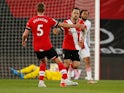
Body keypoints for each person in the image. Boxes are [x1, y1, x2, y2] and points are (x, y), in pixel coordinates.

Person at [22, 2, 80, 87]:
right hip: (47, 45)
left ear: (36, 10)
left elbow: (25, 34)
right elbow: (62, 24)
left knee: (43, 61)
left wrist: (24, 40)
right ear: (44, 10)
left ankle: (41, 82)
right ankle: (65, 79)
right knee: (59, 61)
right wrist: (74, 26)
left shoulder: (31, 21)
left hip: (37, 47)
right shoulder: (49, 19)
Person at [53, 8, 86, 80]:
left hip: (76, 47)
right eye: (74, 13)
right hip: (67, 46)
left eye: (77, 13)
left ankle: (67, 77)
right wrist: (56, 27)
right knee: (66, 63)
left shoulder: (81, 22)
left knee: (76, 65)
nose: (76, 15)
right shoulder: (66, 22)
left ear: (79, 15)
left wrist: (83, 38)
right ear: (71, 14)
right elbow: (56, 32)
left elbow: (84, 30)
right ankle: (64, 80)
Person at [79, 10, 96, 84]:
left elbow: (87, 34)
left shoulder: (88, 23)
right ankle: (67, 78)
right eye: (84, 13)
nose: (85, 15)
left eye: (87, 14)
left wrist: (87, 44)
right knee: (72, 63)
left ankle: (89, 79)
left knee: (87, 61)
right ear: (80, 14)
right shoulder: (77, 21)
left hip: (84, 44)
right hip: (75, 44)